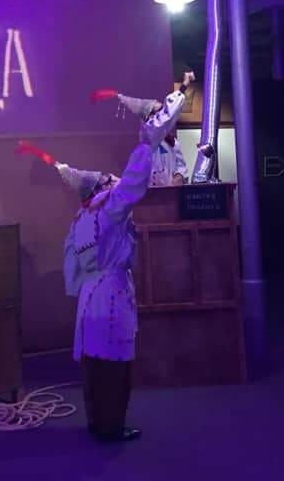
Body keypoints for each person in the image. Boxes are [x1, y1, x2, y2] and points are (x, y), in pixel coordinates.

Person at [61, 71, 192, 442]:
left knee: (95, 365)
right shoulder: (110, 209)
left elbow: (72, 270)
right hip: (111, 296)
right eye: (107, 178)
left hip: (89, 298)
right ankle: (111, 427)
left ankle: (97, 422)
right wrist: (146, 143)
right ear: (101, 190)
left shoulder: (81, 219)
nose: (112, 178)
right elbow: (134, 182)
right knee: (115, 366)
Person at [89, 84, 189, 187]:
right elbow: (165, 117)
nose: (162, 114)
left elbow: (181, 166)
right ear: (149, 118)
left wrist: (179, 175)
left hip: (171, 192)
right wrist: (183, 87)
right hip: (153, 192)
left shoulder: (172, 142)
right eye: (158, 112)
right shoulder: (149, 136)